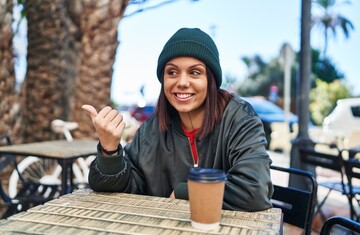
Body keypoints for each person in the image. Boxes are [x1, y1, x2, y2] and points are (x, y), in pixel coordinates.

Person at [82, 27, 273, 211]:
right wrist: (109, 149)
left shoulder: (239, 117)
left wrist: (188, 190)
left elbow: (254, 189)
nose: (182, 82)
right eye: (172, 72)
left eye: (195, 72)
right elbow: (124, 185)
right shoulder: (152, 129)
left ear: (211, 79)